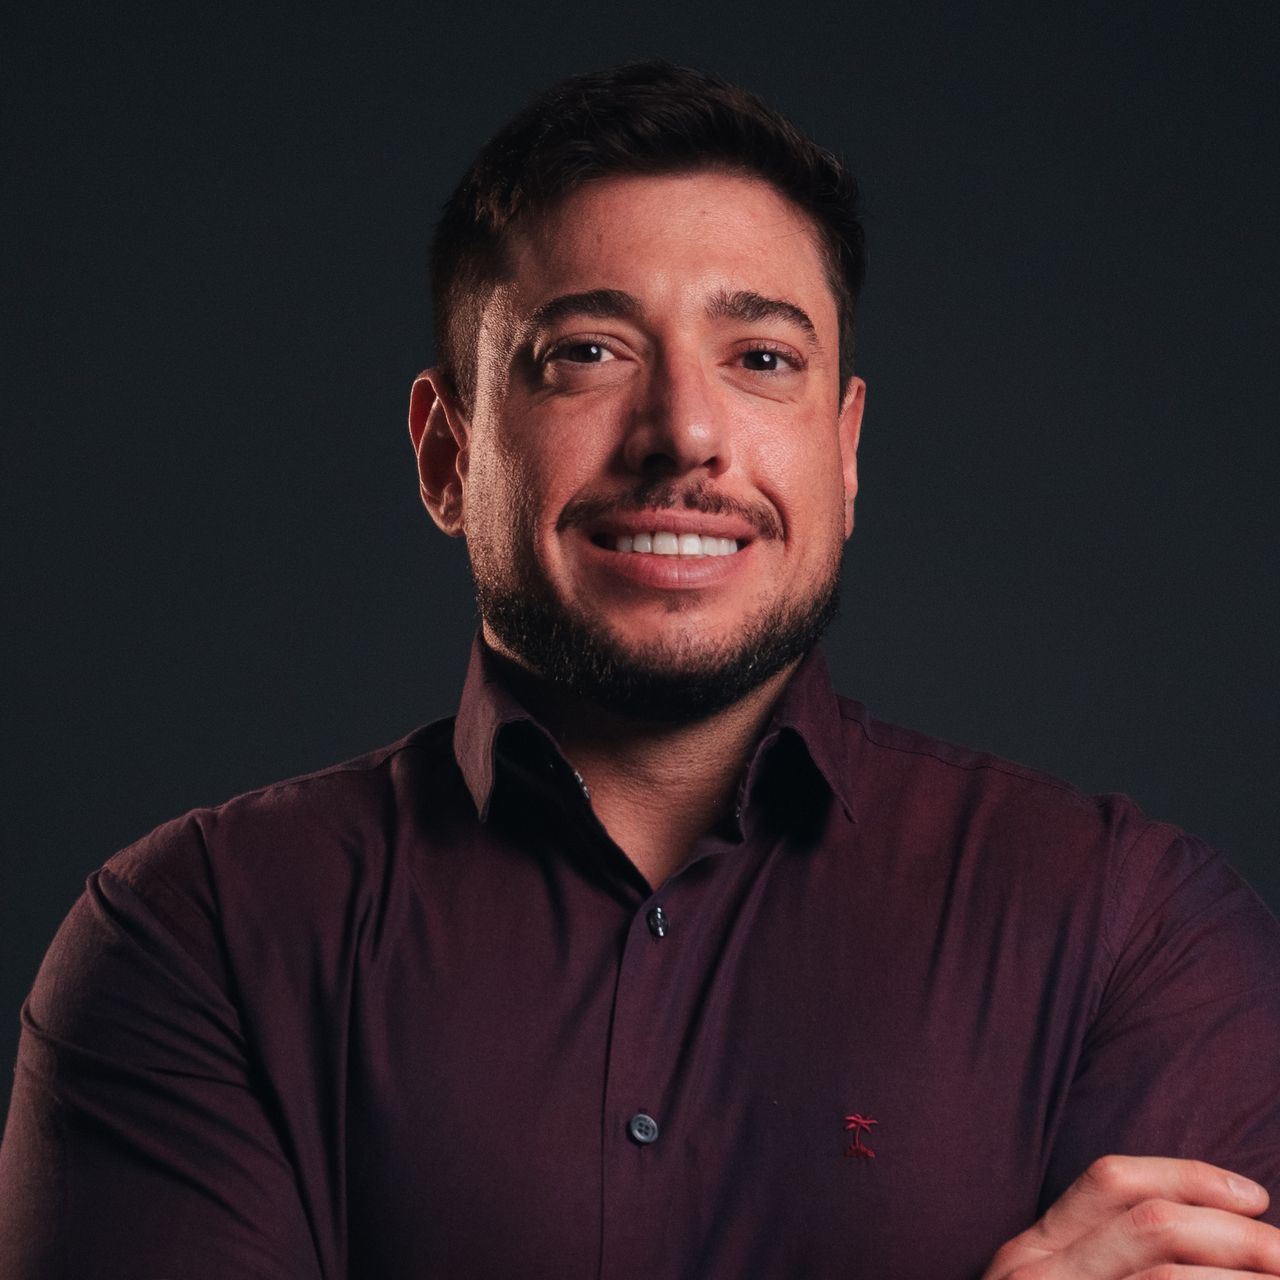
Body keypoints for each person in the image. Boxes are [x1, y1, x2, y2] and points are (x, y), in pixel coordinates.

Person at [1, 60, 1278, 1280]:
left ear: (843, 453)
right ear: (447, 453)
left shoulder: (1130, 932)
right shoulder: (196, 937)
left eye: (760, 358)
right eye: (586, 352)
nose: (683, 431)